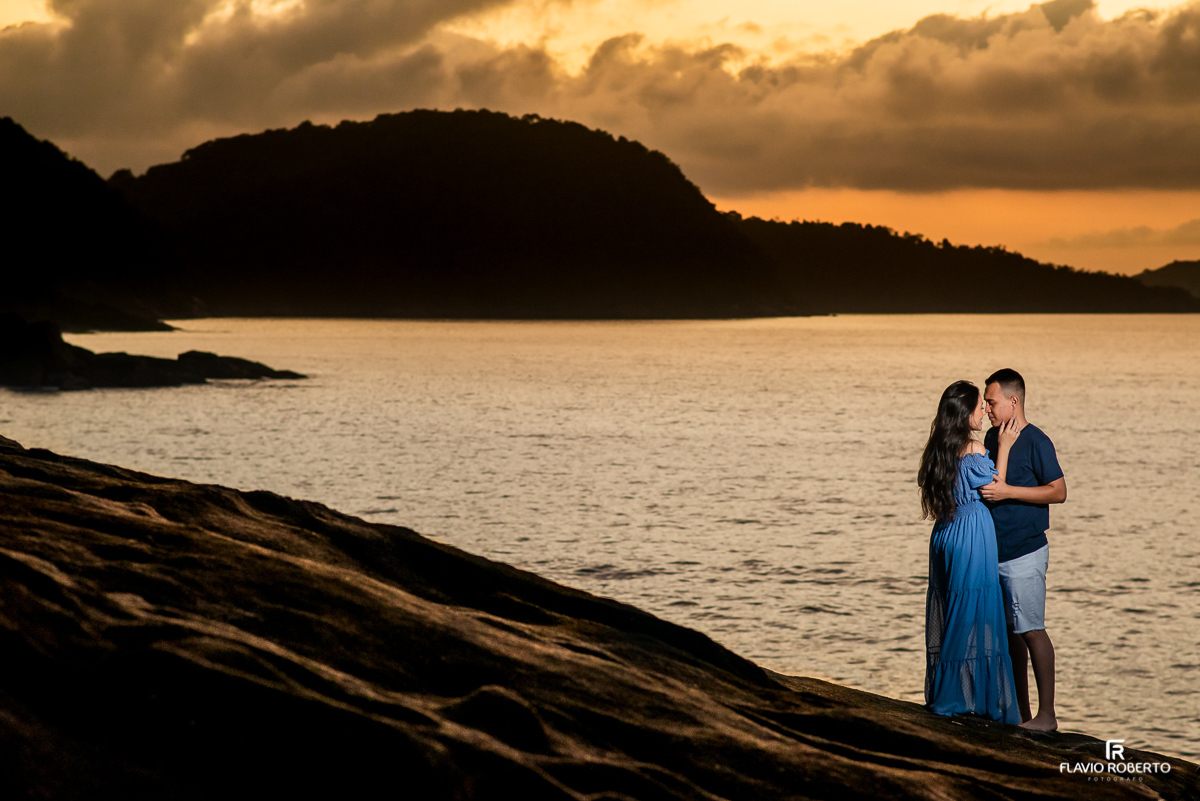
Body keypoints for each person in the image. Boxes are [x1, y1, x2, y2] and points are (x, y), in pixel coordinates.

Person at [918, 380, 1021, 724]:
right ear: (965, 413)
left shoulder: (938, 448)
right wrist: (1003, 446)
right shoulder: (974, 449)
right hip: (972, 533)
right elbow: (994, 489)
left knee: (953, 611)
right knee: (971, 614)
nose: (984, 411)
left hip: (945, 533)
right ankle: (958, 698)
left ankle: (952, 692)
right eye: (980, 406)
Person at [979, 368, 1066, 732]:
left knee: (1031, 630)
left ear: (1013, 402)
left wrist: (1010, 492)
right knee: (1010, 636)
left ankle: (1047, 716)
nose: (986, 409)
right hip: (993, 553)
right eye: (985, 403)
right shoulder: (990, 437)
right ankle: (1021, 714)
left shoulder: (1037, 441)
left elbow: (1058, 491)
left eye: (992, 402)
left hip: (1025, 553)